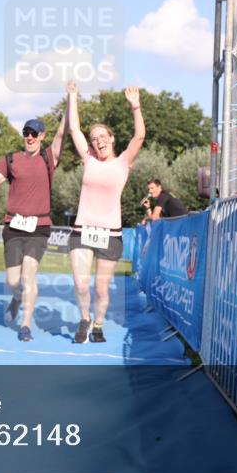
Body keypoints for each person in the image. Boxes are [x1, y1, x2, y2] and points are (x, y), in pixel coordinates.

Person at [0, 111, 67, 343]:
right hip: (13, 226)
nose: (29, 137)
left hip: (39, 227)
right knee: (13, 281)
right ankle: (16, 298)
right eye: (26, 133)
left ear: (42, 136)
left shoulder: (48, 158)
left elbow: (62, 134)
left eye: (34, 133)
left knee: (29, 275)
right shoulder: (10, 159)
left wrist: (70, 103)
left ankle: (25, 325)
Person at [66, 81, 145, 344]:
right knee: (80, 284)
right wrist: (73, 97)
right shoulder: (88, 159)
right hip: (82, 231)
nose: (98, 141)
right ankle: (84, 318)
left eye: (103, 136)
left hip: (110, 234)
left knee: (101, 288)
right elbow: (74, 128)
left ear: (112, 139)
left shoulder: (124, 162)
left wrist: (135, 106)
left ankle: (98, 324)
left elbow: (140, 137)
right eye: (94, 138)